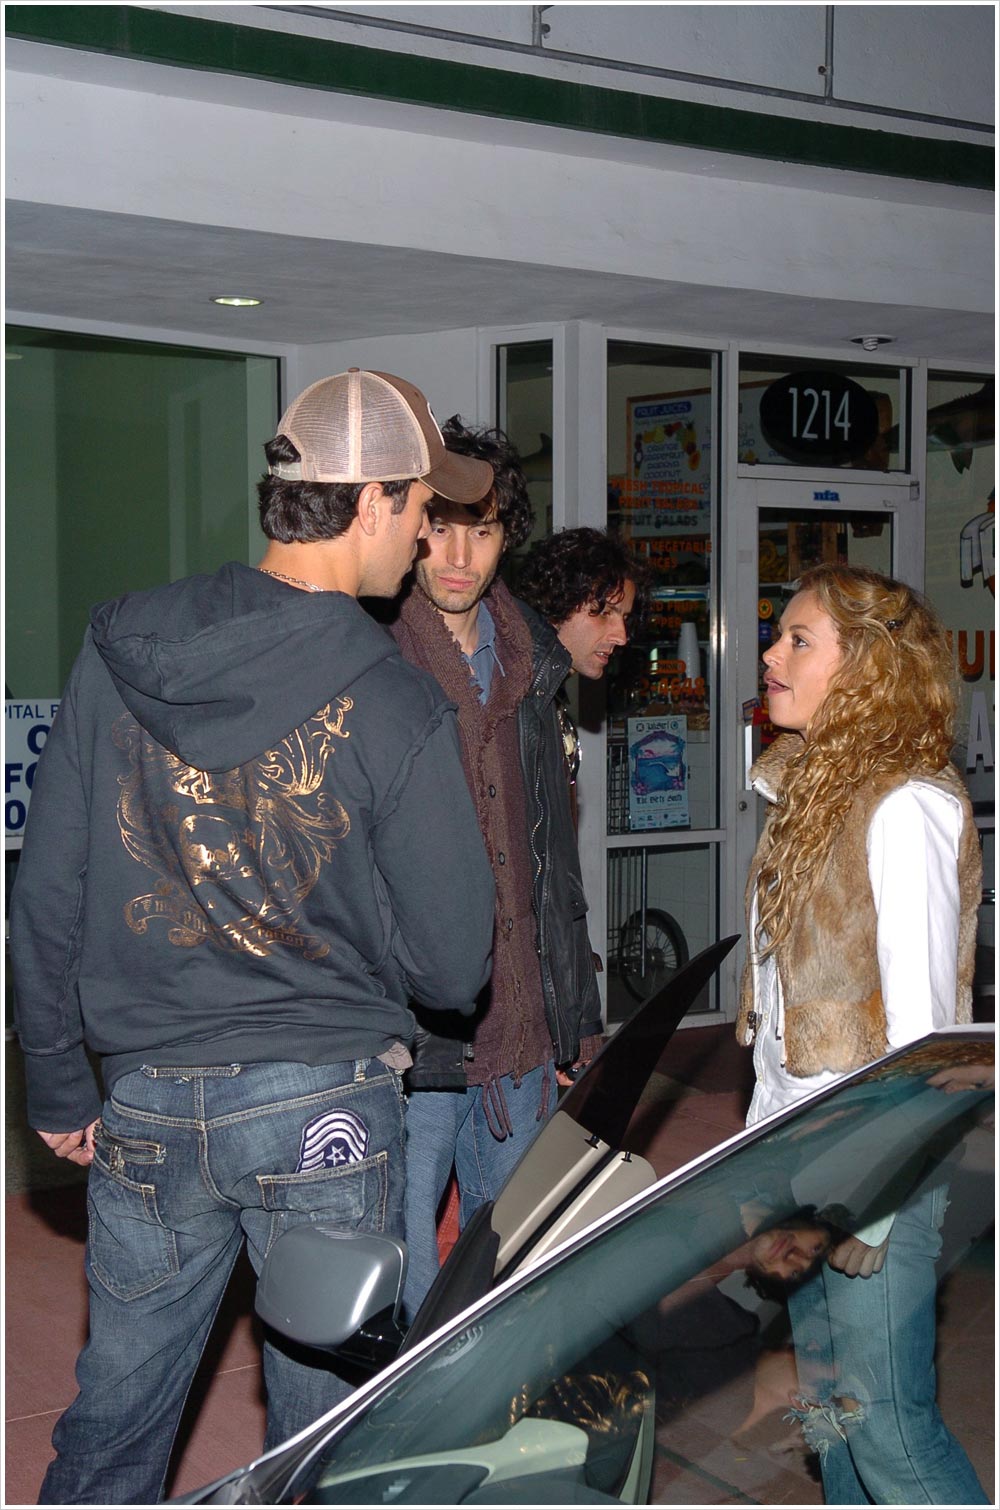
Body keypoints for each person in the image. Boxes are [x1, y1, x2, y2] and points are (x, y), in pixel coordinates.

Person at [9, 368, 497, 1505]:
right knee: (318, 1442)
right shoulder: (393, 697)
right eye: (422, 507)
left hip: (145, 1095)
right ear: (370, 500)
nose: (430, 536)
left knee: (115, 1423)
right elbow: (452, 964)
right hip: (323, 1107)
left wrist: (56, 1078)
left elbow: (50, 882)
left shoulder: (122, 646)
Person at [738, 562, 986, 1504]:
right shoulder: (807, 794)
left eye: (799, 640)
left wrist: (874, 1205)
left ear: (867, 669)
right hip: (801, 1158)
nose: (771, 654)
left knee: (889, 1437)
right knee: (829, 1420)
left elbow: (926, 1040)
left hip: (871, 1167)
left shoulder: (904, 805)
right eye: (779, 635)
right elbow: (782, 1027)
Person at [390, 438, 645, 1321]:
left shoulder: (535, 665)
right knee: (403, 1286)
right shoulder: (374, 657)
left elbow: (553, 867)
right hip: (412, 1039)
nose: (459, 555)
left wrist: (576, 1012)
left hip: (524, 1028)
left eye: (484, 530)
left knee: (510, 1279)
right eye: (440, 528)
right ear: (407, 528)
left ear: (508, 538)